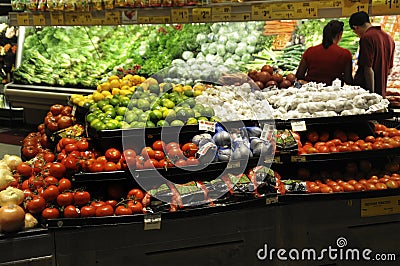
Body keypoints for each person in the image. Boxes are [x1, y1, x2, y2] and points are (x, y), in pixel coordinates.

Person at [349, 11, 395, 98]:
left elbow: (368, 69)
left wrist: (371, 94)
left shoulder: (366, 38)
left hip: (365, 94)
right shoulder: (389, 38)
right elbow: (389, 70)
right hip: (381, 92)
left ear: (356, 27)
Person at [295, 20, 353, 86]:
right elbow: (348, 80)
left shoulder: (310, 51)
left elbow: (299, 75)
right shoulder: (345, 54)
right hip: (335, 92)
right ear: (340, 35)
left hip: (311, 91)